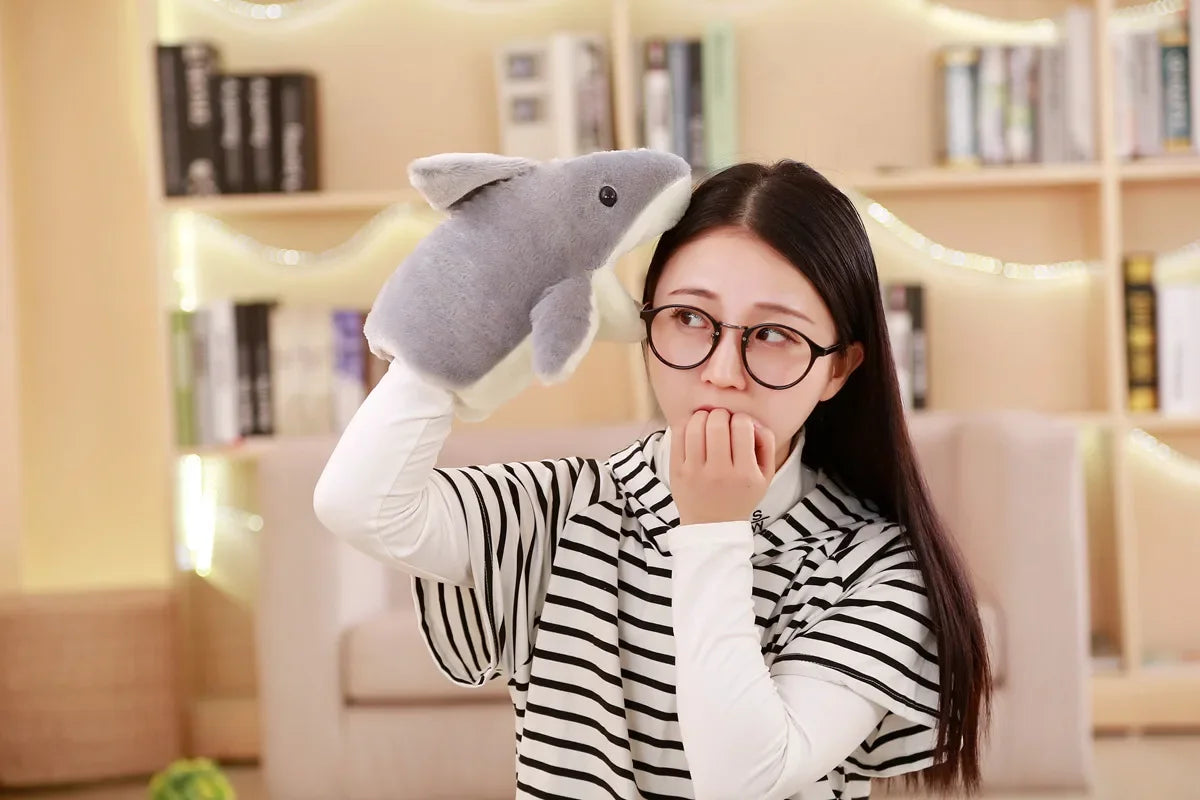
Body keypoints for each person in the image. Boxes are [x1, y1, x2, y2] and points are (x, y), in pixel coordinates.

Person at [313, 159, 993, 800]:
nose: (722, 370)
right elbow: (358, 504)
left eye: (774, 334)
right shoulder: (567, 505)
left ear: (839, 367)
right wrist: (458, 321)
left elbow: (745, 781)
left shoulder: (873, 567)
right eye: (691, 319)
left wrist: (714, 530)